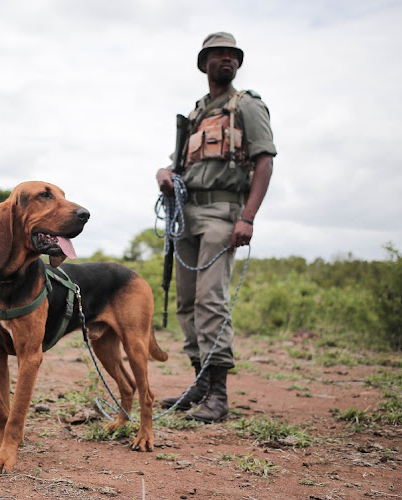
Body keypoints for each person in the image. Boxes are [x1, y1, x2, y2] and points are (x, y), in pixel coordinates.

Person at [156, 32, 276, 423]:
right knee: (186, 303)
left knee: (211, 300)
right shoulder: (194, 115)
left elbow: (264, 162)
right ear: (204, 63)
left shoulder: (248, 106)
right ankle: (201, 383)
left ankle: (218, 396)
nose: (226, 60)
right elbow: (179, 166)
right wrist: (163, 173)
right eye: (218, 54)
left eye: (232, 55)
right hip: (186, 214)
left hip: (224, 211)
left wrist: (247, 217)